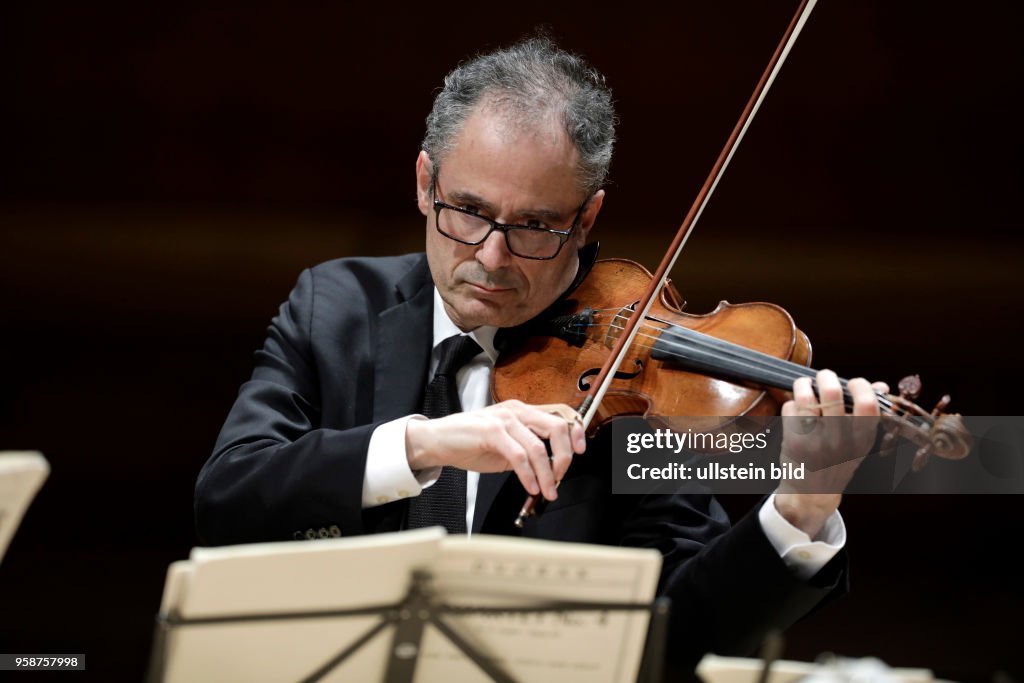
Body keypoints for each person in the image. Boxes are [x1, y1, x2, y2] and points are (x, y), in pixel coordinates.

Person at [195, 36, 884, 676]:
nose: (490, 259)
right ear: (423, 181)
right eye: (466, 210)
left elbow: (685, 635)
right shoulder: (335, 309)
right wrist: (426, 444)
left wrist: (797, 511)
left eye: (535, 226)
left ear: (586, 219)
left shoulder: (628, 396)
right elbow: (229, 498)